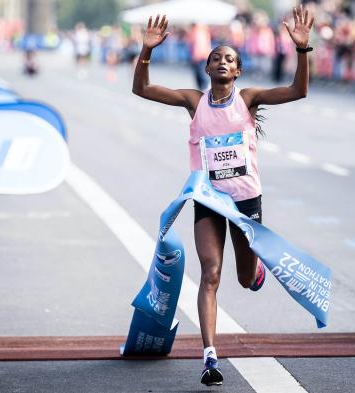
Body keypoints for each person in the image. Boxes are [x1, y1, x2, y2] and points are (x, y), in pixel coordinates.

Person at [132, 7, 314, 386]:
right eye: (215, 57)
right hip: (209, 200)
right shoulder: (193, 101)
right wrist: (146, 52)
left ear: (237, 71)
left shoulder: (247, 100)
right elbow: (142, 89)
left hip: (246, 202)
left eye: (229, 59)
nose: (221, 61)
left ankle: (255, 269)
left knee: (245, 279)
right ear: (207, 68)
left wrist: (301, 50)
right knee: (210, 274)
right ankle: (209, 357)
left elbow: (298, 91)